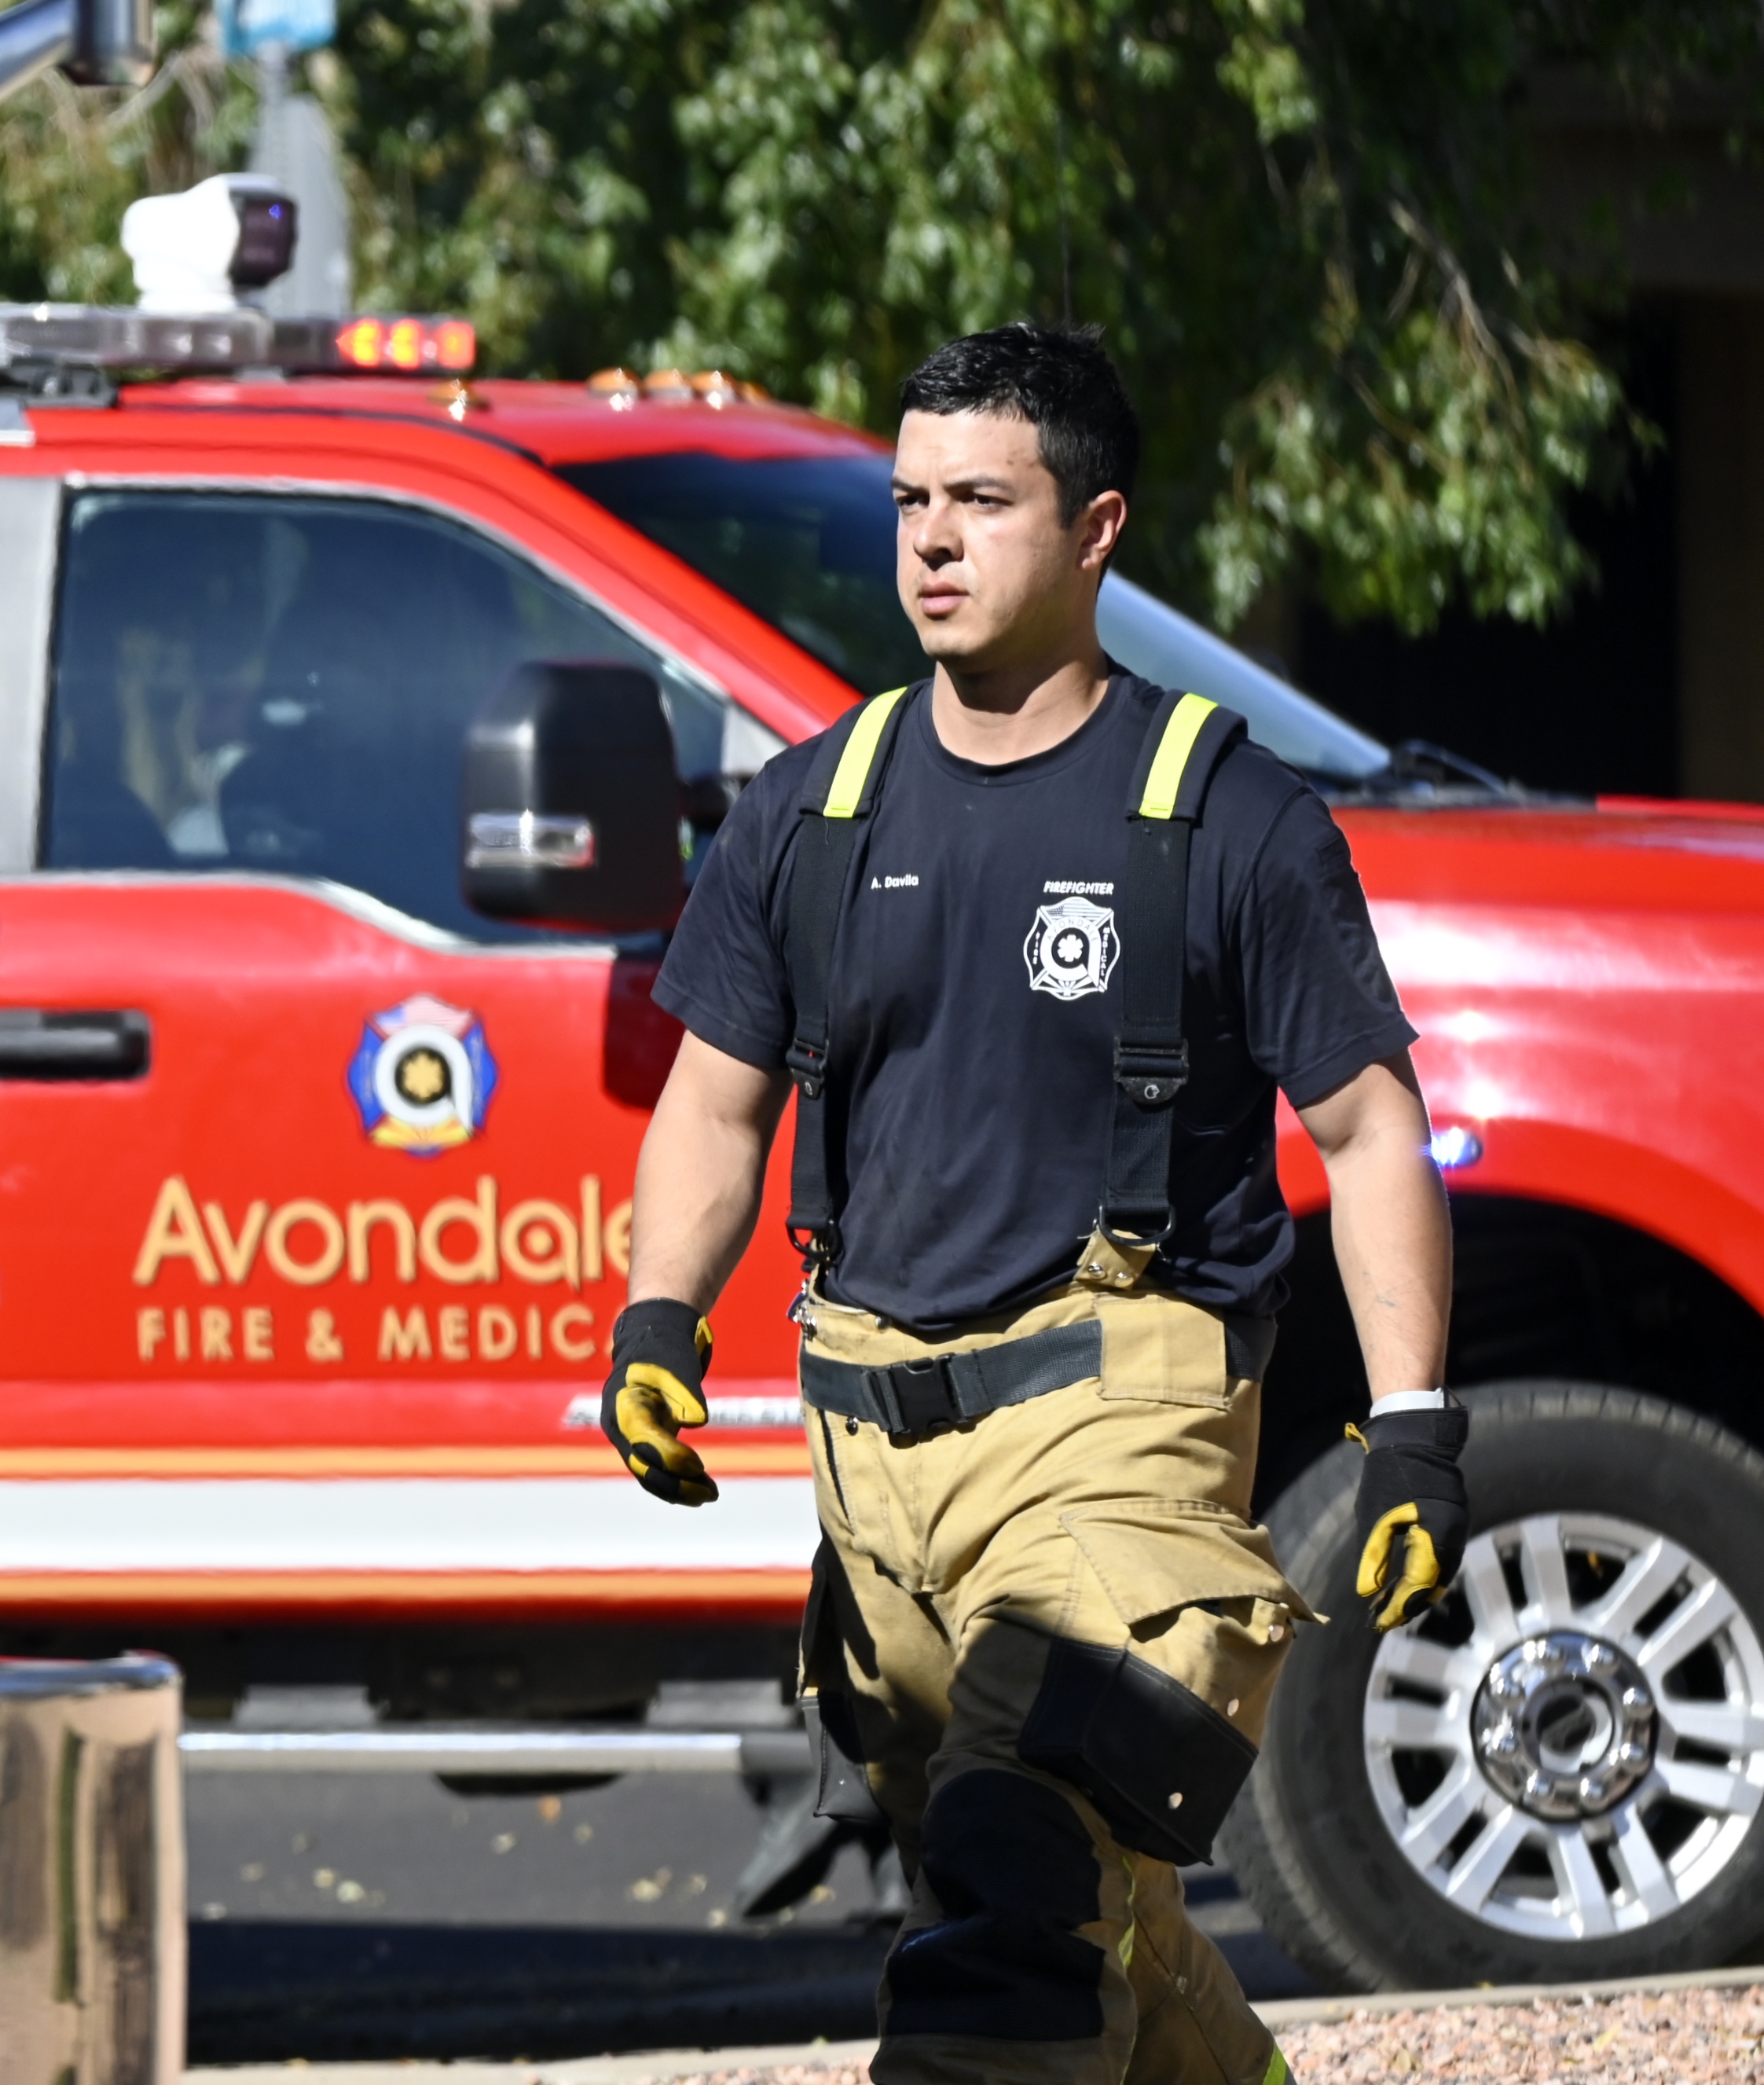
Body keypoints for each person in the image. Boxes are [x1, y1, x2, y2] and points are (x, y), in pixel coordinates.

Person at [600, 322, 1465, 2085]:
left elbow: (1371, 1131)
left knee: (1008, 1894)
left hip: (1118, 1441)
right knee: (1086, 1915)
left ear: (1095, 529)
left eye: (981, 502)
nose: (929, 538)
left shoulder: (1227, 817)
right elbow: (712, 1099)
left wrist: (1414, 1430)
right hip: (876, 1470)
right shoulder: (809, 809)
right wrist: (655, 1320)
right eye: (910, 500)